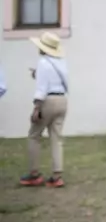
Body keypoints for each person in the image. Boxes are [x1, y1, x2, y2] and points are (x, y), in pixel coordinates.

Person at [20, 32, 69, 188]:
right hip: (62, 100)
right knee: (56, 138)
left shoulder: (43, 62)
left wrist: (36, 108)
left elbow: (42, 88)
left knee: (34, 135)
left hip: (48, 100)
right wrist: (38, 74)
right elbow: (55, 80)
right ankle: (57, 176)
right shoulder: (61, 62)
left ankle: (34, 174)